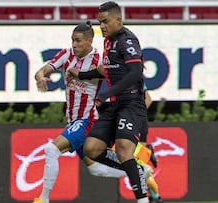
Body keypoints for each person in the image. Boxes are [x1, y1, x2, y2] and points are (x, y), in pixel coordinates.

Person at [33, 21, 134, 203]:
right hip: (73, 121)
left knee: (51, 150)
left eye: (78, 41)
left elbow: (112, 72)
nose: (74, 44)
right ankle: (138, 171)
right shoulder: (67, 54)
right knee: (95, 169)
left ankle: (43, 199)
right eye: (72, 40)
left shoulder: (99, 59)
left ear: (89, 41)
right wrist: (40, 76)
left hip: (87, 120)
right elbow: (44, 69)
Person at [68, 1, 150, 202]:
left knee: (123, 148)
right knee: (91, 148)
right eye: (99, 22)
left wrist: (107, 93)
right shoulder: (108, 41)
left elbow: (135, 73)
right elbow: (104, 69)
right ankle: (136, 169)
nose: (101, 27)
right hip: (115, 106)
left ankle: (143, 199)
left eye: (105, 22)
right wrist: (82, 74)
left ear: (118, 20)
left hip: (131, 103)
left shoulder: (127, 41)